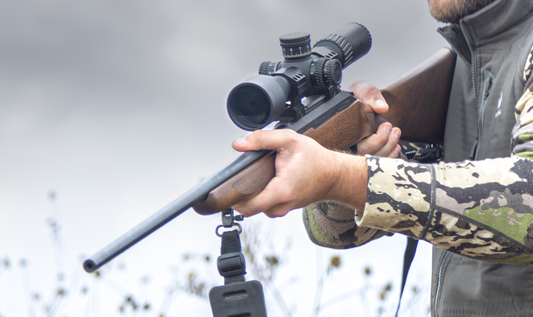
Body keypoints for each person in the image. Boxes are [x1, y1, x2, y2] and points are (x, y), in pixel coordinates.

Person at [232, 0, 533, 316]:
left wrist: (345, 175)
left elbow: (526, 204)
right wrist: (356, 153)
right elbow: (335, 233)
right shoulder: (464, 61)